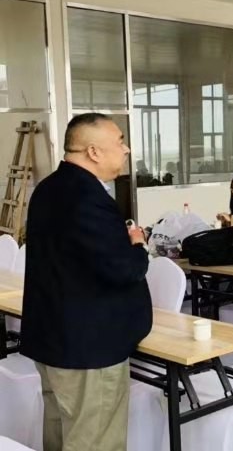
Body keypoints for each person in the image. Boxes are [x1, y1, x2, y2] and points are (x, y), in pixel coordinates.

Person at [22, 113, 152, 451]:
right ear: (94, 152)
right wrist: (138, 244)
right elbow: (124, 270)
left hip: (53, 340)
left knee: (61, 436)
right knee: (95, 442)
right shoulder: (87, 197)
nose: (126, 149)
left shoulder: (48, 189)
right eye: (120, 141)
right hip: (88, 350)